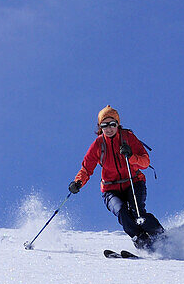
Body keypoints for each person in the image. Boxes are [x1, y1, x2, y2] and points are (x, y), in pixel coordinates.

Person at [69, 106, 164, 249]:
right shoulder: (98, 144)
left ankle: (161, 237)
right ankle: (142, 241)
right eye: (104, 125)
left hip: (133, 182)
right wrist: (78, 182)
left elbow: (145, 162)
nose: (109, 128)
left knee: (138, 214)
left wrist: (131, 156)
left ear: (117, 124)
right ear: (100, 127)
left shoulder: (128, 138)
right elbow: (87, 168)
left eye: (112, 124)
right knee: (122, 212)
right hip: (110, 189)